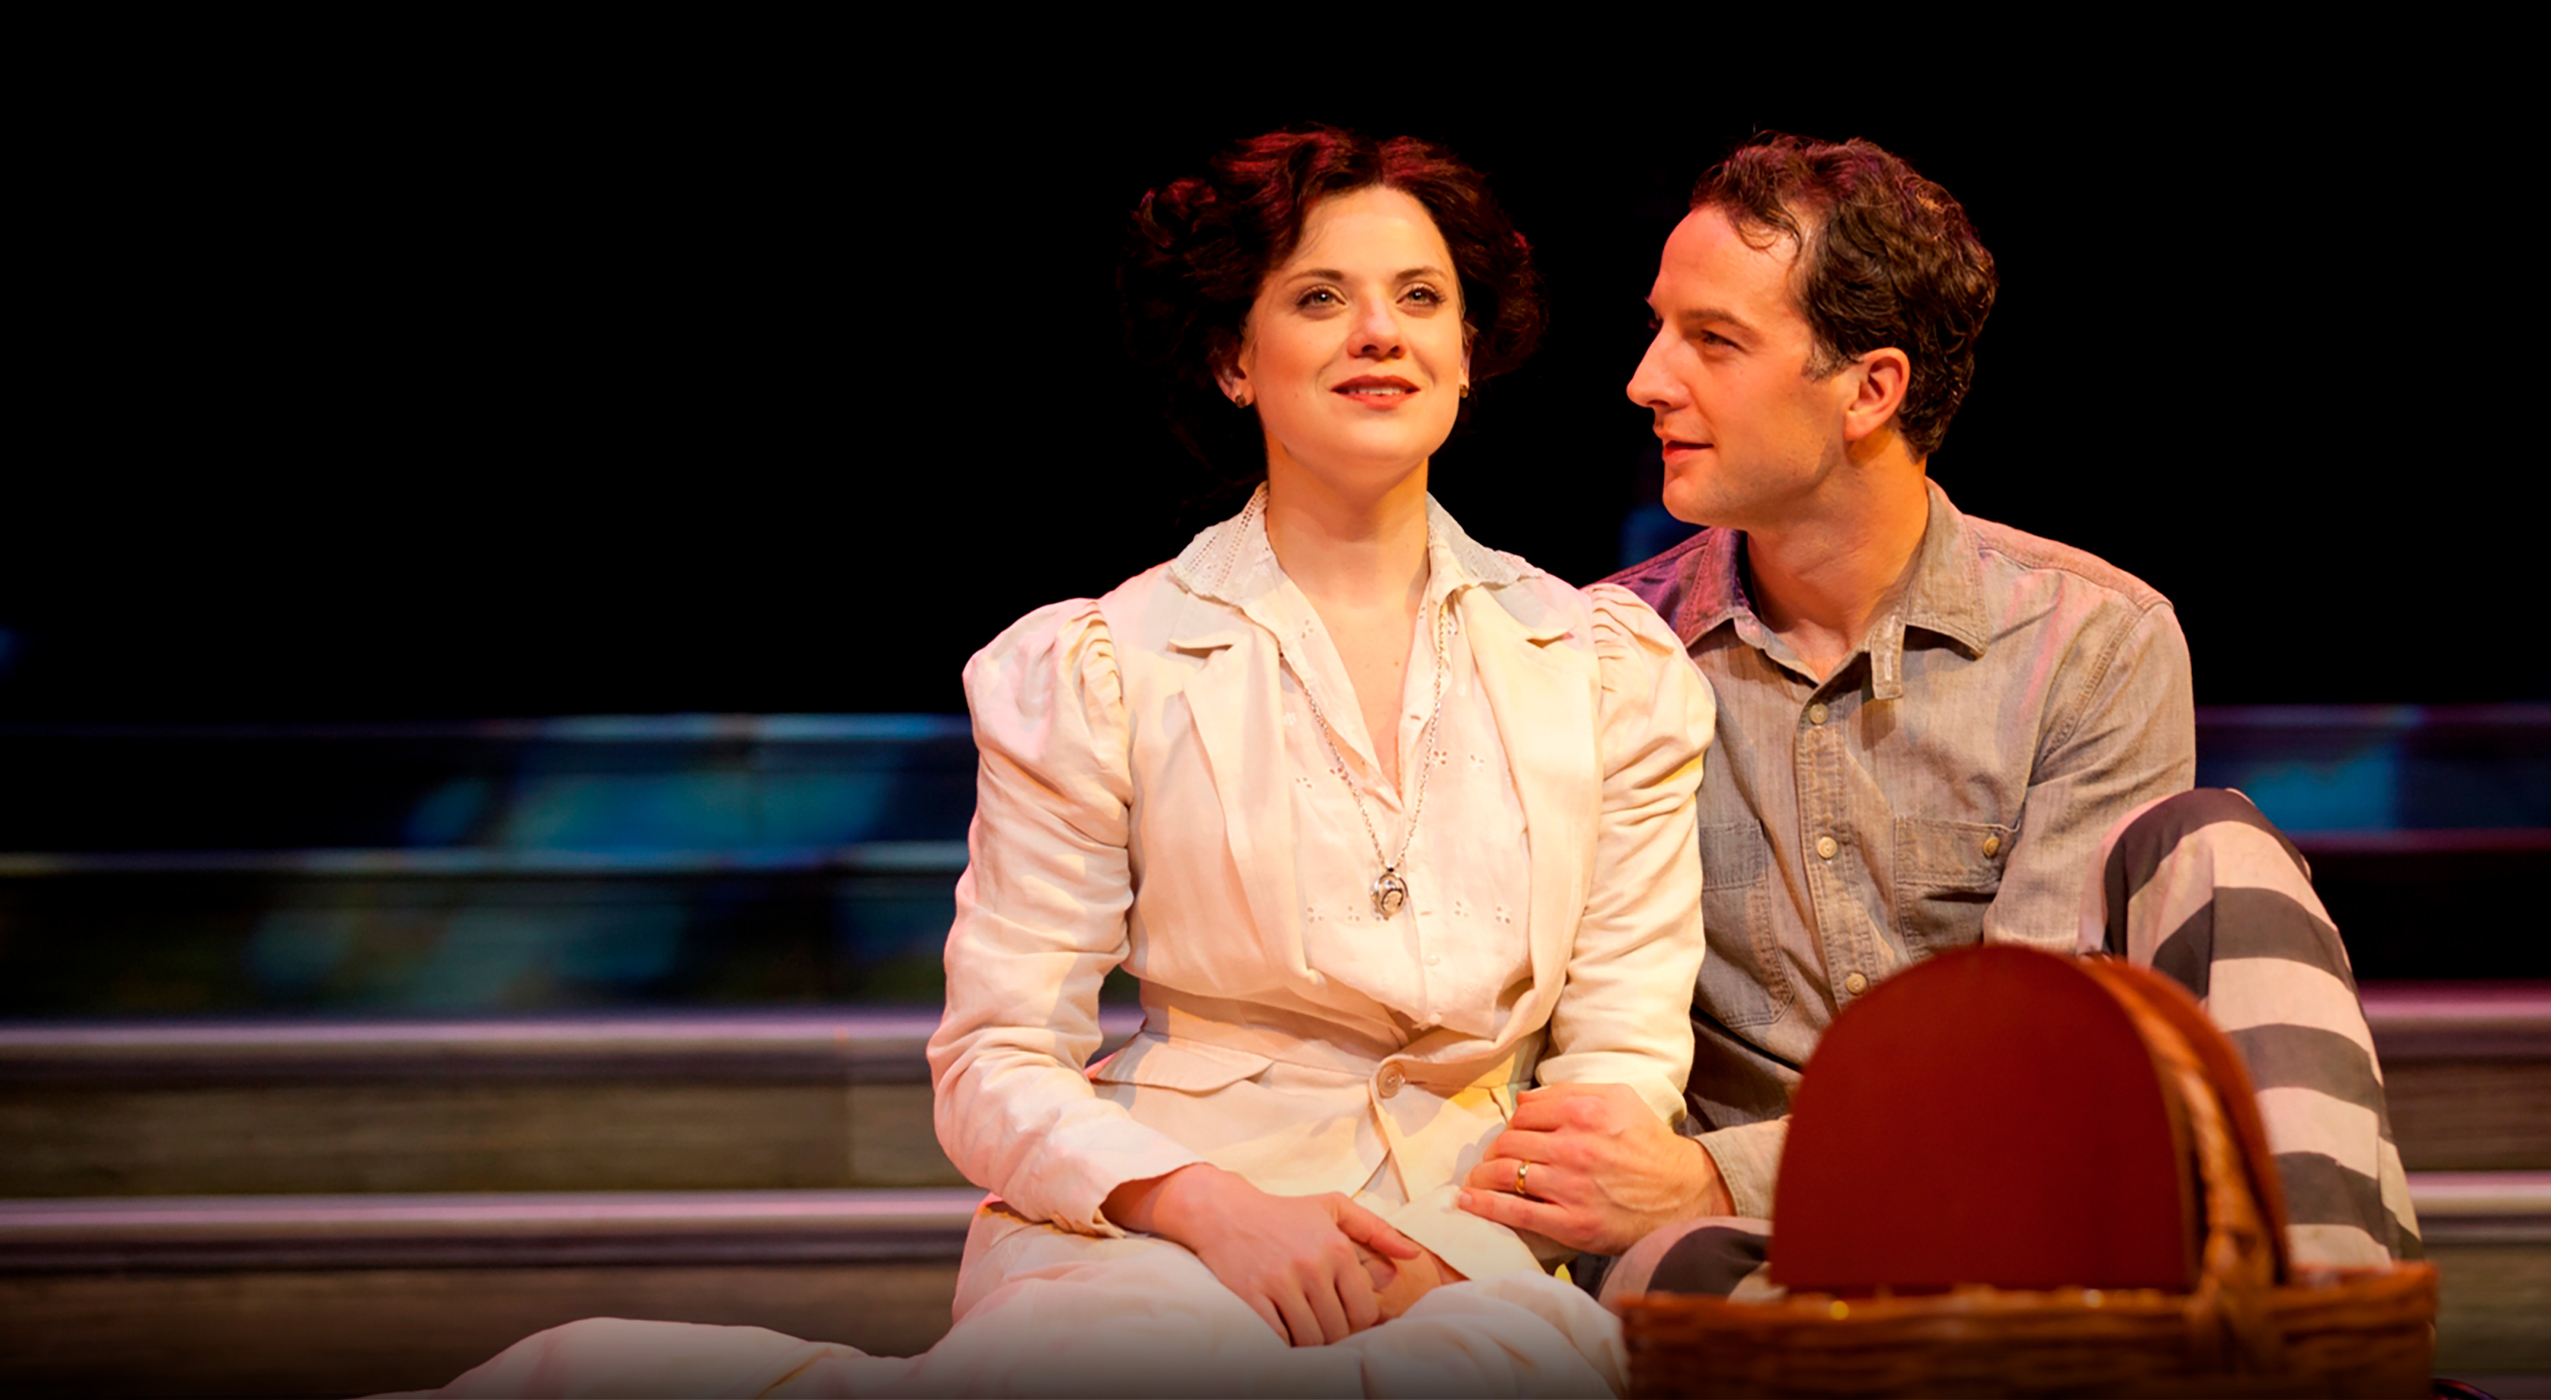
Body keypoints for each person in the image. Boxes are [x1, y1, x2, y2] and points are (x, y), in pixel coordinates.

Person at [413, 128, 1712, 1398]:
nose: (1381, 332)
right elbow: (997, 1057)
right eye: (1321, 297)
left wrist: (1448, 1254)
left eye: (1420, 298)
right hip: (1165, 1226)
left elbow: (1620, 1056)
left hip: (1472, 1244)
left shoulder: (1601, 665)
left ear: (1468, 351)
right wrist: (1205, 1207)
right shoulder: (1104, 664)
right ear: (1233, 359)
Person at [1454, 133, 2420, 1300]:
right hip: (1781, 1254)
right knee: (1669, 1269)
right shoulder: (1604, 656)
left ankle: (2328, 1331)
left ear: (1871, 389)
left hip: (2040, 1207)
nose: (1647, 379)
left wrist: (1711, 1175)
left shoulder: (2090, 640)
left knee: (2216, 843)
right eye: (1661, 328)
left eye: (1713, 339)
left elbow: (2032, 1071)